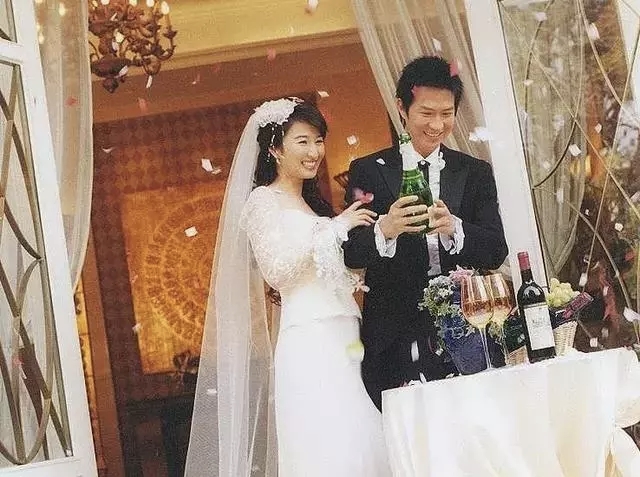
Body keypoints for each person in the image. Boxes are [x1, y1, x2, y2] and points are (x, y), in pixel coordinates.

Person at [185, 98, 391, 477]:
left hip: (344, 333)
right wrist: (336, 229)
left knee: (362, 440)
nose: (314, 152)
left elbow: (337, 271)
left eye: (318, 141)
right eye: (303, 141)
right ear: (275, 149)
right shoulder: (263, 201)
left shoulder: (314, 204)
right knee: (334, 448)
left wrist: (379, 234)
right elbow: (277, 270)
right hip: (309, 338)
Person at [343, 56, 509, 410]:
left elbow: (496, 250)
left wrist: (455, 228)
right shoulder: (368, 170)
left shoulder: (474, 172)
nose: (437, 125)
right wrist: (385, 229)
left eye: (447, 113)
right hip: (393, 335)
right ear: (402, 108)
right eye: (427, 113)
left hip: (468, 327)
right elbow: (351, 253)